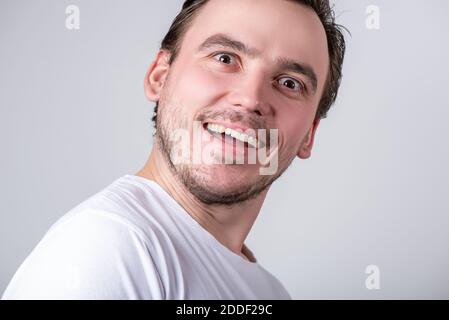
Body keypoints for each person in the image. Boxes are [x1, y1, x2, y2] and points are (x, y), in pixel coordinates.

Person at [2, 0, 346, 299]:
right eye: (225, 58)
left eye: (289, 83)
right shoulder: (106, 248)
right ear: (159, 77)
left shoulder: (270, 293)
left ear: (308, 136)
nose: (251, 98)